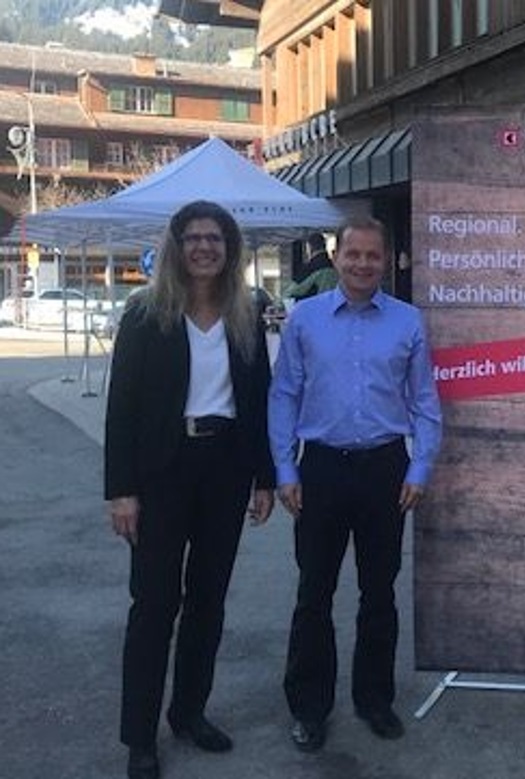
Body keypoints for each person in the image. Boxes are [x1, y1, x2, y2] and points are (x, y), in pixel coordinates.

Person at [105, 200, 276, 779]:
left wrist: (265, 478)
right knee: (154, 606)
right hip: (160, 476)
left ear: (230, 251)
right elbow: (120, 409)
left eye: (216, 239)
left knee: (207, 602)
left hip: (224, 470)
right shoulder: (145, 314)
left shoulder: (245, 314)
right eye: (194, 238)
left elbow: (258, 404)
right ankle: (140, 737)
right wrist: (121, 491)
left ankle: (189, 713)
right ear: (176, 247)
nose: (204, 247)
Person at [269, 215, 443, 753]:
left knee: (379, 592)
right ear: (336, 257)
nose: (363, 264)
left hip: (384, 471)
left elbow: (425, 400)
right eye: (353, 255)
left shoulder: (408, 321)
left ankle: (374, 700)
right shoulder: (304, 320)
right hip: (320, 469)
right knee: (313, 594)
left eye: (373, 256)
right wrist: (285, 467)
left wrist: (419, 468)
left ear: (385, 261)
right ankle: (309, 707)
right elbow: (284, 396)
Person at [284, 233, 338, 300]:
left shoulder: (311, 268)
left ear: (309, 247)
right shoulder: (336, 266)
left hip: (317, 307)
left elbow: (292, 291)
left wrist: (278, 303)